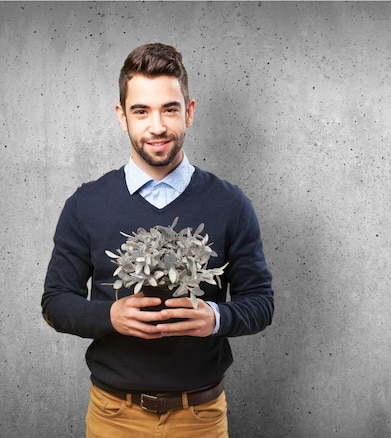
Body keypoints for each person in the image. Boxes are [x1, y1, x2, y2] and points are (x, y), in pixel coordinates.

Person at [41, 43, 274, 437]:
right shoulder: (86, 204)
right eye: (141, 111)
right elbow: (55, 303)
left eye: (170, 108)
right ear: (122, 117)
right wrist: (109, 316)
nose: (157, 126)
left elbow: (261, 303)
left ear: (190, 111)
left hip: (200, 417)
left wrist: (214, 318)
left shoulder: (230, 204)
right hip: (114, 416)